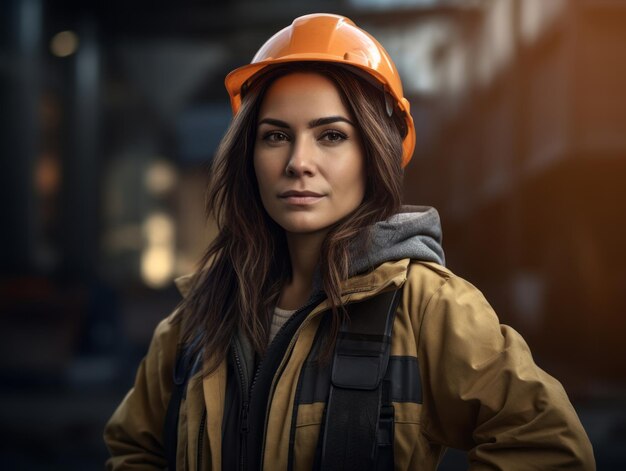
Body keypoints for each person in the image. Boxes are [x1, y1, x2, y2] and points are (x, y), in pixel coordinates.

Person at [104, 13, 595, 470]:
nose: (298, 161)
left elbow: (547, 447)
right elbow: (133, 448)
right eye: (275, 136)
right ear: (248, 156)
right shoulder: (196, 320)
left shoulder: (429, 309)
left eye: (331, 136)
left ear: (374, 153)